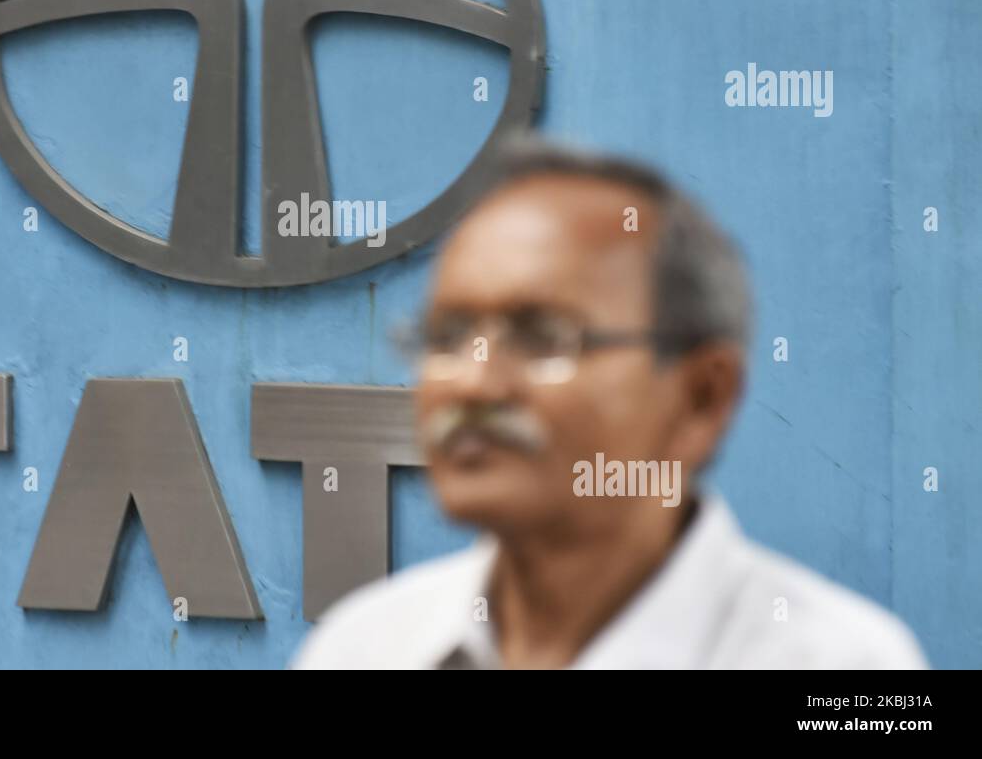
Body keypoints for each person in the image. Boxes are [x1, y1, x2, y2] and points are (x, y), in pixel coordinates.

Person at [290, 137, 927, 669]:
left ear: (701, 398)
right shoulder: (364, 648)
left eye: (543, 336)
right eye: (447, 336)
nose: (471, 384)